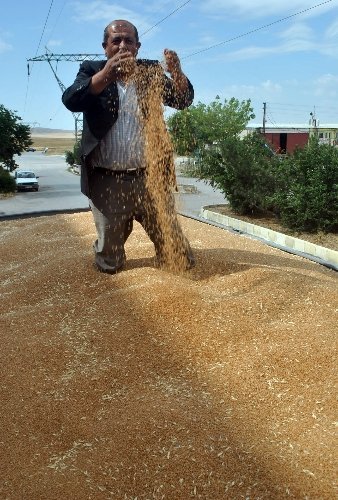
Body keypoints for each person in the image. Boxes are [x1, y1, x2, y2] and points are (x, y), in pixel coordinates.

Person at [62, 19, 195, 275]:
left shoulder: (150, 72)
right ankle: (107, 249)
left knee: (180, 258)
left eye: (129, 40)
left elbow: (182, 99)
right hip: (107, 179)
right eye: (116, 41)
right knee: (109, 263)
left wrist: (176, 71)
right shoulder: (92, 70)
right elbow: (72, 99)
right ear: (105, 47)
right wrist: (106, 74)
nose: (123, 45)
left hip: (150, 177)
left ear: (137, 46)